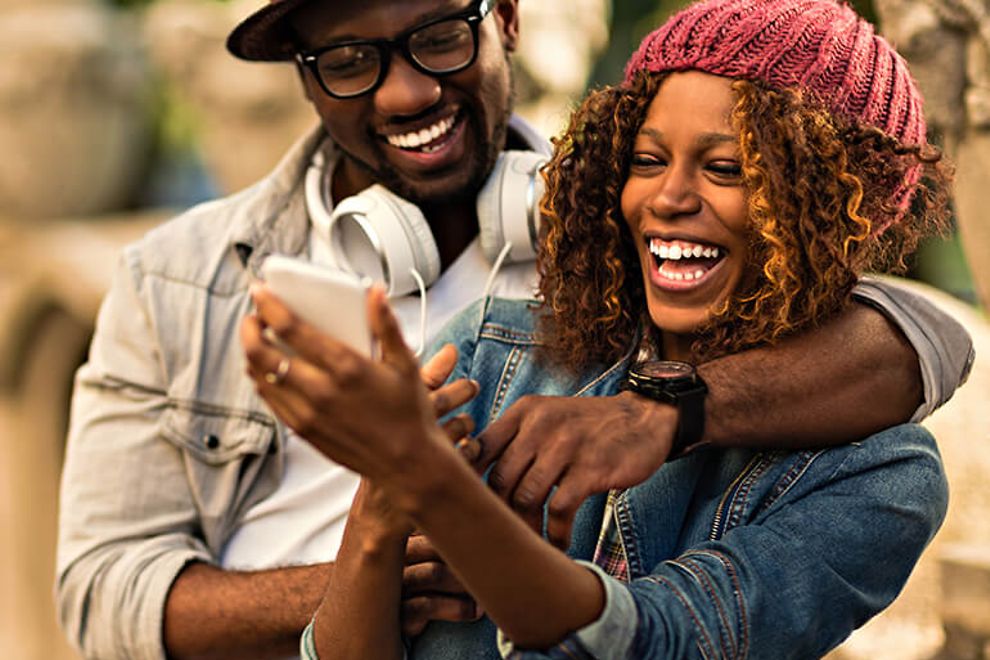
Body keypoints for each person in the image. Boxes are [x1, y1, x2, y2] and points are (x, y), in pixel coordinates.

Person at [56, 0, 971, 658]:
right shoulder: (492, 339)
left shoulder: (877, 473)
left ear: (508, 22)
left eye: (438, 37)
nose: (404, 93)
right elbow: (103, 596)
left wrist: (664, 410)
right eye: (346, 59)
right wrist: (385, 531)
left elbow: (931, 338)